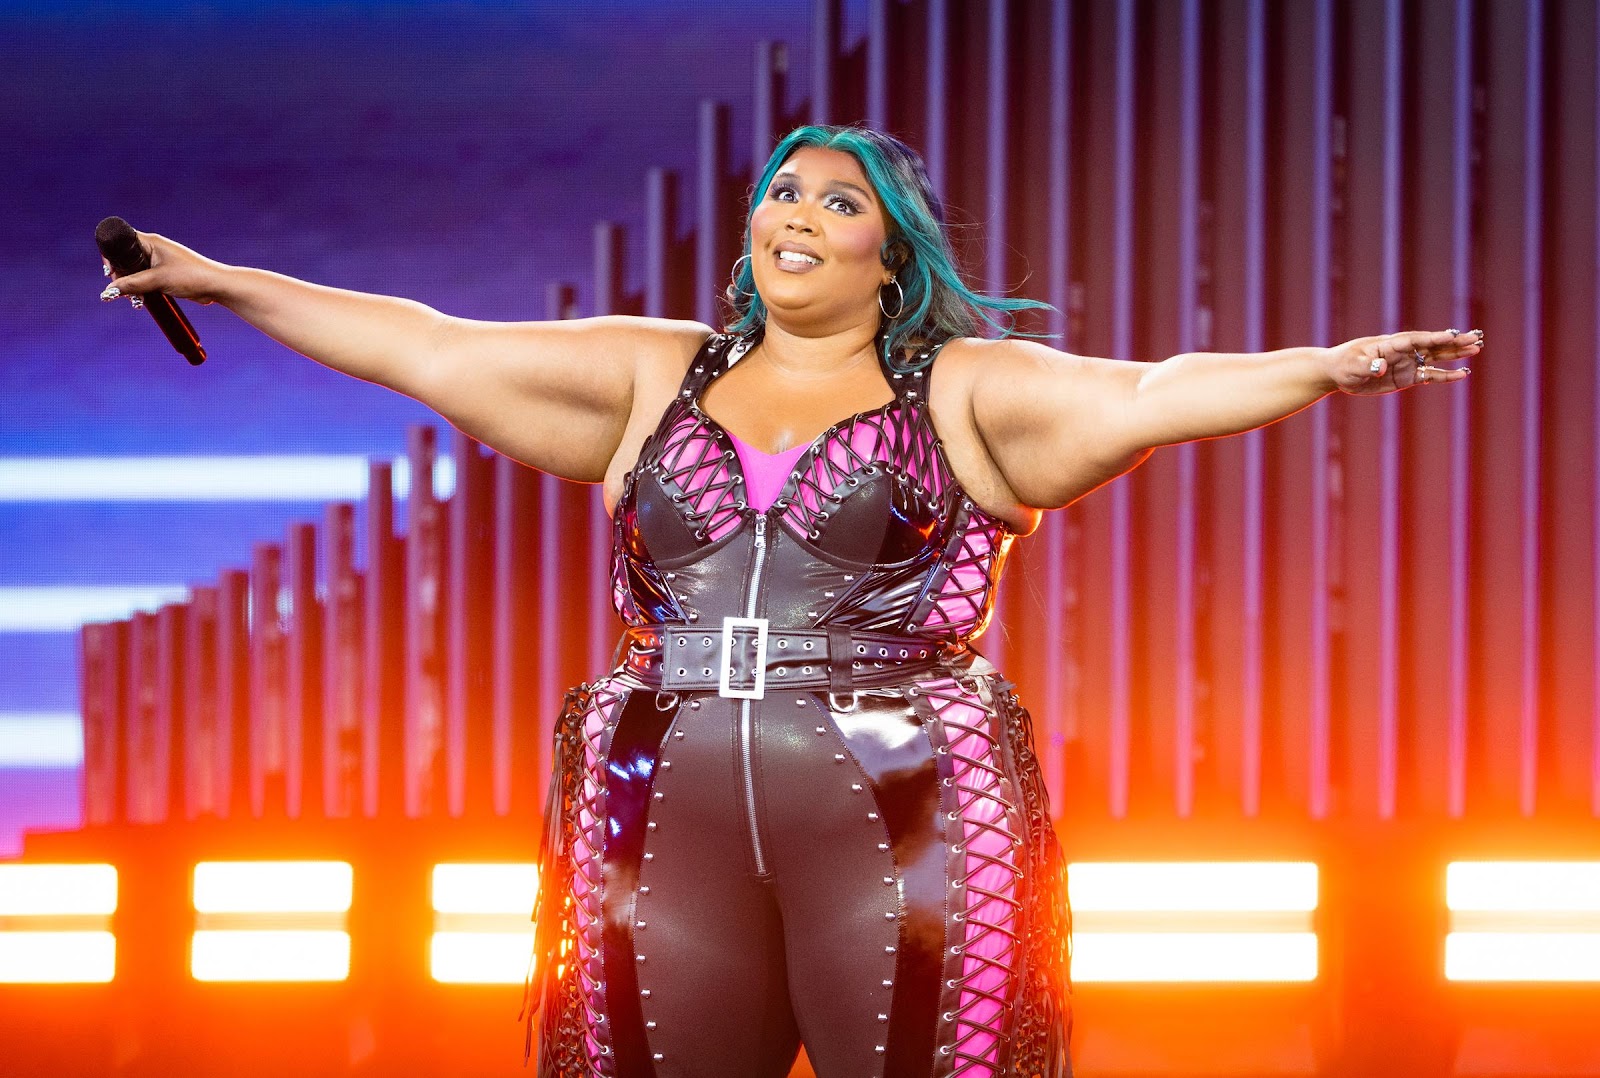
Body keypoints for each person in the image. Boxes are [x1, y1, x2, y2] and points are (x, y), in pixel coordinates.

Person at [99, 123, 1481, 1078]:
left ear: (893, 253)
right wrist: (227, 279)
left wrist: (1327, 364)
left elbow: (1152, 389)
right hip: (655, 796)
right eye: (781, 191)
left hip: (907, 805)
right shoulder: (657, 373)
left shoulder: (967, 386)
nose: (796, 214)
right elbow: (427, 343)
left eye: (838, 200)